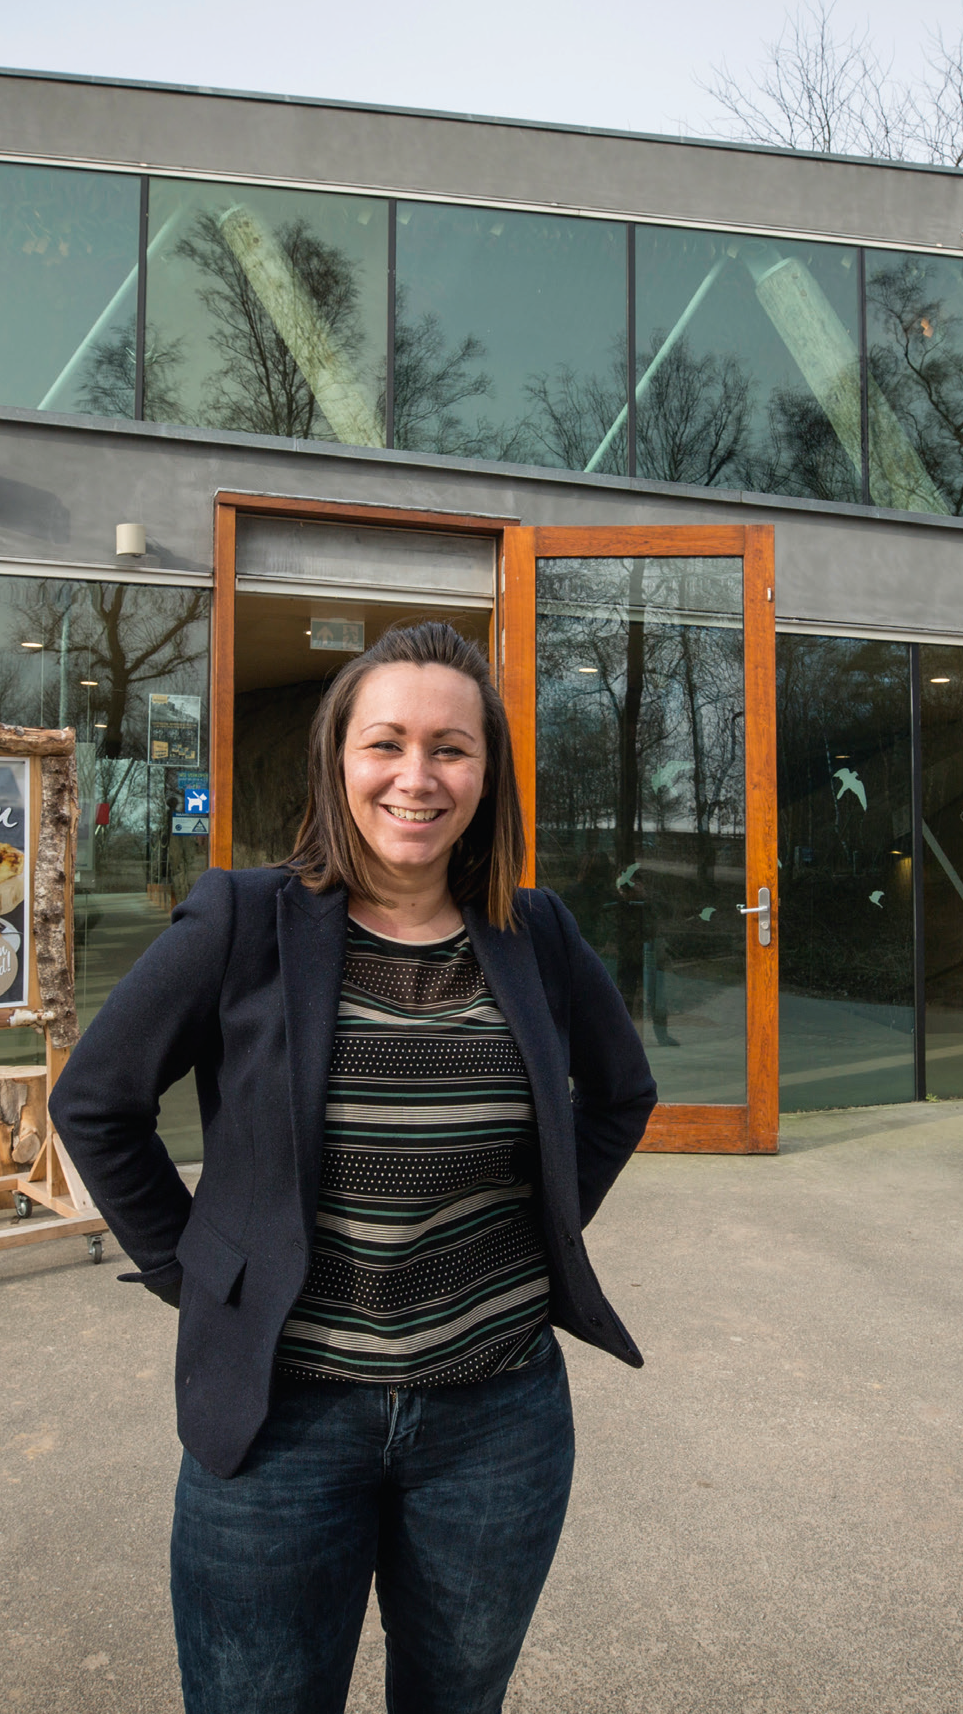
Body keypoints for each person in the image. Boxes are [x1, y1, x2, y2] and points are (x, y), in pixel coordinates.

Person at [50, 621, 657, 1714]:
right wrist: (203, 1274)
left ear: (488, 771)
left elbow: (621, 1094)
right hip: (282, 1418)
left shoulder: (538, 931)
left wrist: (544, 1228)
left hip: (497, 1419)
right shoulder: (242, 920)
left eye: (451, 747)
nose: (416, 776)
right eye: (387, 742)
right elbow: (96, 1102)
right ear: (340, 758)